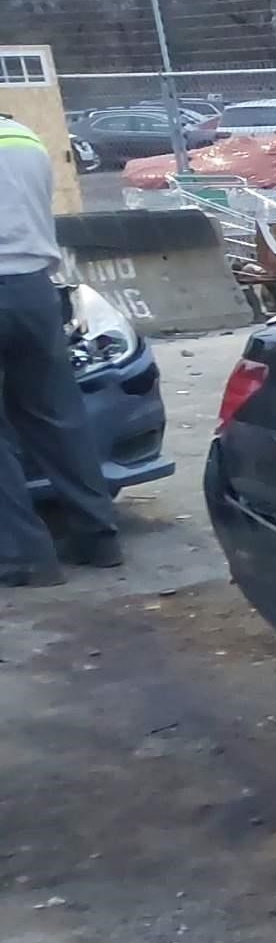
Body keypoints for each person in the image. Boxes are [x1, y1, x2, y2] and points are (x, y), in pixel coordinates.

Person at [0, 112, 121, 588]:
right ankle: (98, 537)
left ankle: (24, 557)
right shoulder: (24, 136)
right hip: (34, 290)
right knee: (55, 416)